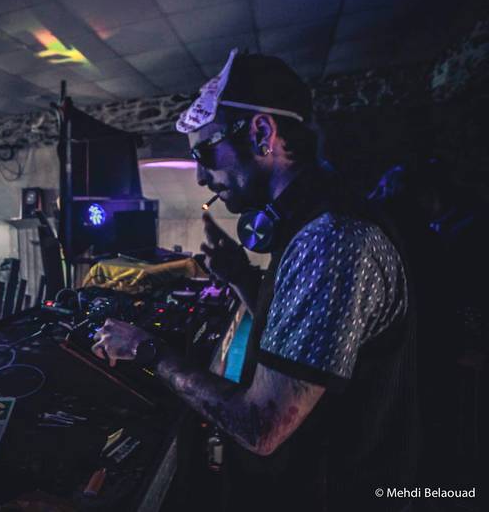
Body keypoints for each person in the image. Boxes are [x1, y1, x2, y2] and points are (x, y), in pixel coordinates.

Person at [92, 50, 416, 511]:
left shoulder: (330, 239)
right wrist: (241, 277)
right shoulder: (312, 224)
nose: (201, 176)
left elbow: (261, 426)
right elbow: (304, 339)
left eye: (204, 153)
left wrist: (147, 349)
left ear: (262, 133)